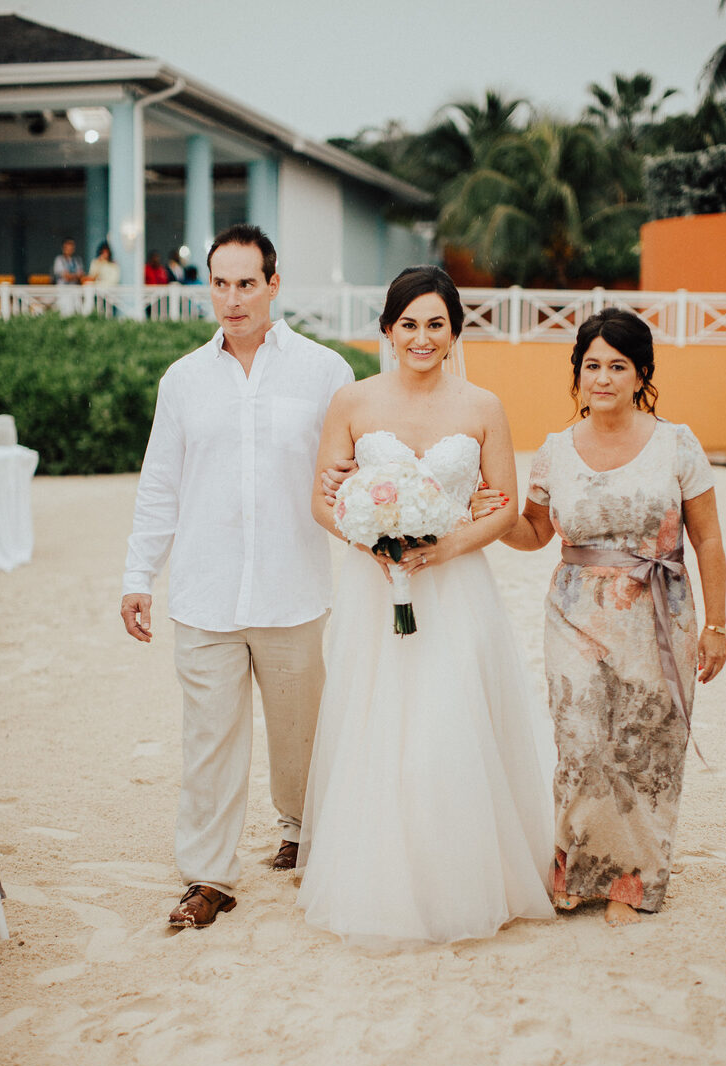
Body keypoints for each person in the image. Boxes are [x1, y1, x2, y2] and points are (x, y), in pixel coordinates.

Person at [296, 265, 555, 944]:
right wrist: (366, 543)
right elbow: (322, 502)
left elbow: (503, 507)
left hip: (456, 588)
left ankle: (465, 882)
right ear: (386, 329)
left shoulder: (481, 407)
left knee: (449, 722)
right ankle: (381, 880)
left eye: (434, 323)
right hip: (374, 589)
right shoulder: (352, 402)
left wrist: (449, 546)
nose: (420, 336)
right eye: (407, 323)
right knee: (376, 726)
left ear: (453, 331)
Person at [121, 223, 353, 929]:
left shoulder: (324, 372)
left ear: (273, 285)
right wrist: (139, 574)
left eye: (246, 283)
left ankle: (301, 828)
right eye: (219, 284)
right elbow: (160, 482)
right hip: (203, 593)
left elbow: (350, 472)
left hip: (293, 591)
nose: (232, 298)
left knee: (300, 735)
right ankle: (208, 877)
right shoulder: (183, 379)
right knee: (209, 740)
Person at [473, 307, 726, 926]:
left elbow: (709, 541)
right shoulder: (555, 452)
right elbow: (536, 532)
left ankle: (632, 880)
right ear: (578, 375)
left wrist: (717, 625)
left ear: (641, 374)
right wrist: (494, 515)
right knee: (582, 743)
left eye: (618, 365)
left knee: (645, 745)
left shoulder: (677, 443)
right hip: (575, 615)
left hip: (659, 614)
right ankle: (579, 873)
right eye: (592, 365)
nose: (604, 377)